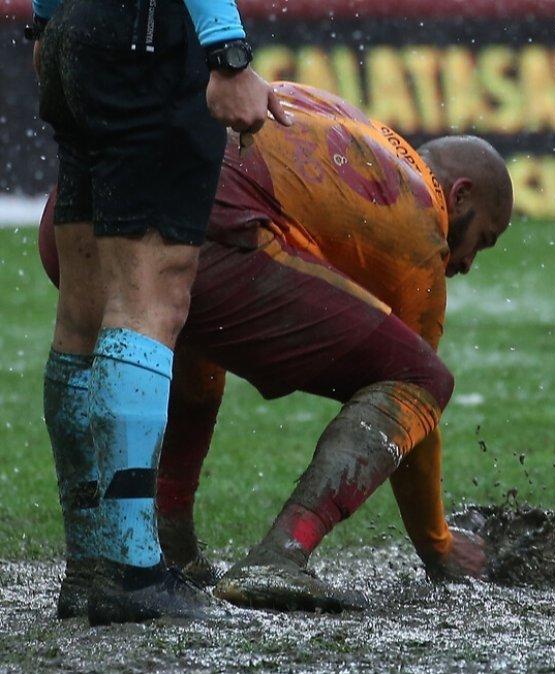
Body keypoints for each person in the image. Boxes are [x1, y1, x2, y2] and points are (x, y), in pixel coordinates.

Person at [40, 82, 514, 613]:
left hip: (80, 208)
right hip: (187, 227)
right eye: (483, 241)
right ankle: (279, 556)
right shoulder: (421, 221)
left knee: (199, 339)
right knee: (424, 381)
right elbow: (415, 410)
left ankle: (164, 539)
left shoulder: (345, 120)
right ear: (460, 194)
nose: (468, 263)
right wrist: (438, 544)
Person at [28, 0, 291, 624]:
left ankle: (91, 564)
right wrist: (227, 52)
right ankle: (131, 571)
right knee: (150, 297)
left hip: (79, 34)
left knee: (82, 315)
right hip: (146, 36)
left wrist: (46, 19)